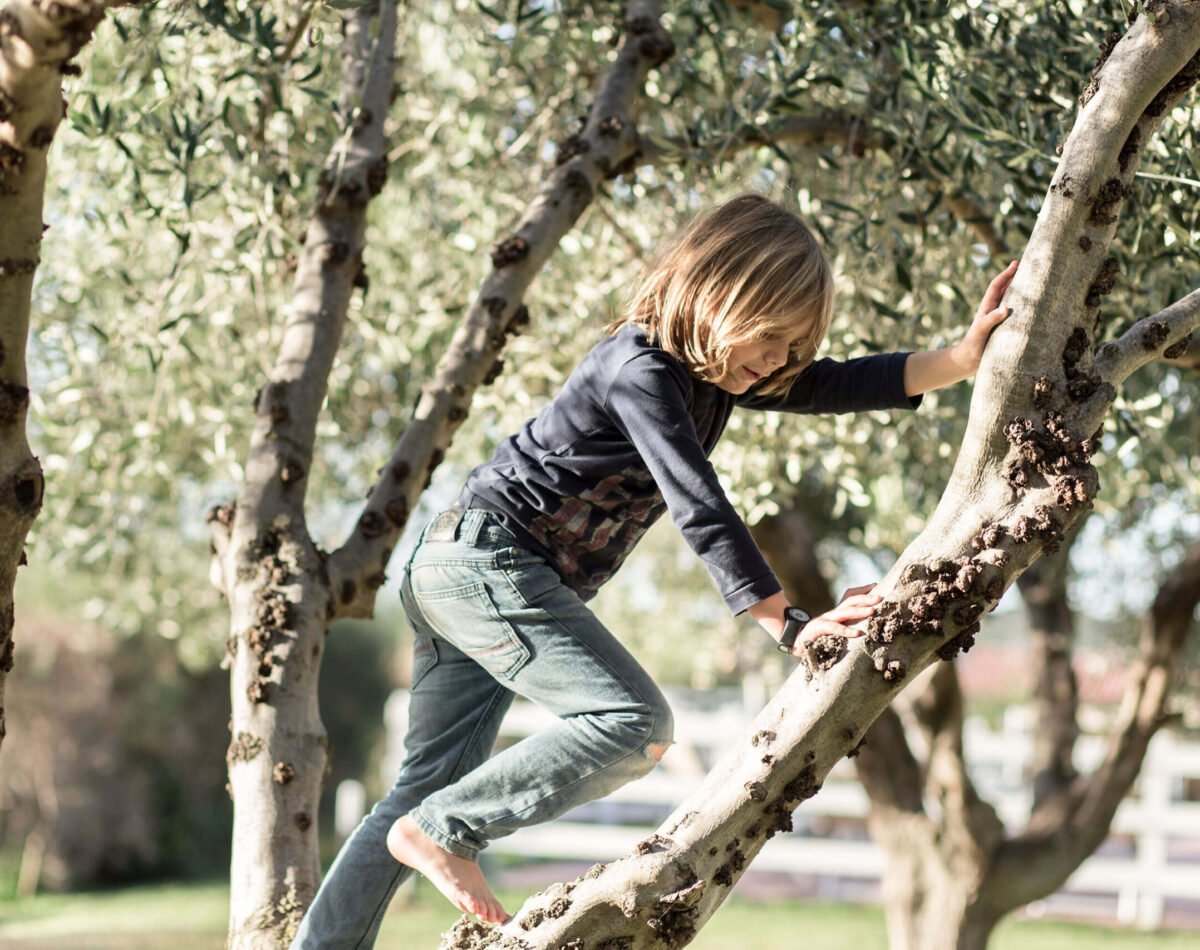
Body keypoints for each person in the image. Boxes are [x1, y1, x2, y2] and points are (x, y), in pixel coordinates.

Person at [291, 192, 1018, 946]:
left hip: (458, 567)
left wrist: (962, 360)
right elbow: (699, 504)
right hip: (489, 563)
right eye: (768, 340)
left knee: (419, 789)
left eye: (790, 352)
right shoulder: (638, 367)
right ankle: (446, 827)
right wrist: (788, 624)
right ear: (718, 298)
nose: (775, 363)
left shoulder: (716, 378)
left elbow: (842, 382)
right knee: (634, 723)